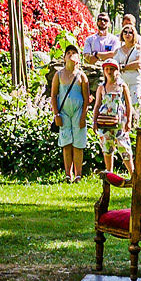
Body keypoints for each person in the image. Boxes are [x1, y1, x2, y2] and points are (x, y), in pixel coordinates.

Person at [49, 48, 90, 181]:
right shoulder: (59, 75)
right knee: (66, 142)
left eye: (74, 53)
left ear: (78, 58)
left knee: (78, 143)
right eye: (68, 53)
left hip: (78, 112)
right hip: (64, 113)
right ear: (64, 57)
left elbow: (86, 98)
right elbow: (54, 95)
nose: (71, 55)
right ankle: (68, 174)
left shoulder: (81, 76)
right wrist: (56, 115)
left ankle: (78, 174)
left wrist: (83, 116)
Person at [90, 57, 131, 177]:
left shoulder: (122, 86)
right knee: (107, 148)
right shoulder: (101, 87)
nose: (109, 71)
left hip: (120, 122)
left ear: (116, 70)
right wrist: (94, 121)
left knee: (124, 147)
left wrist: (128, 121)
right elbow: (97, 105)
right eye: (107, 69)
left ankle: (133, 174)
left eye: (112, 69)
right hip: (104, 122)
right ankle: (110, 174)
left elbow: (128, 105)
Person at [114, 16, 141, 123]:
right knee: (121, 107)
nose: (127, 34)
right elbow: (115, 66)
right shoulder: (118, 50)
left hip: (135, 82)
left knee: (136, 107)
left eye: (130, 32)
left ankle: (136, 128)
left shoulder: (138, 48)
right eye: (125, 32)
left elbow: (138, 63)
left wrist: (123, 67)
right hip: (122, 82)